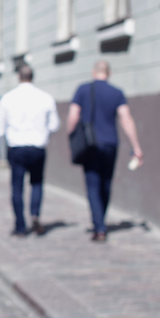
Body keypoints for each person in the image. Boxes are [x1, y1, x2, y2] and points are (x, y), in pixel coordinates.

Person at [67, 60, 144, 242]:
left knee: (93, 183)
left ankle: (99, 226)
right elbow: (126, 119)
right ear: (109, 73)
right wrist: (136, 146)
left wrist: (71, 139)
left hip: (90, 144)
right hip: (110, 143)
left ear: (94, 72)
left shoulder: (83, 90)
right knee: (106, 183)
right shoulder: (116, 93)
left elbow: (73, 116)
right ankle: (101, 219)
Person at [0, 65, 60, 237]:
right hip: (37, 147)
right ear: (32, 76)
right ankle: (35, 215)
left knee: (16, 187)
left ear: (18, 77)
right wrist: (42, 131)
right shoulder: (45, 97)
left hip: (17, 147)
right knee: (36, 183)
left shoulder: (8, 98)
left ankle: (20, 227)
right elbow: (54, 125)